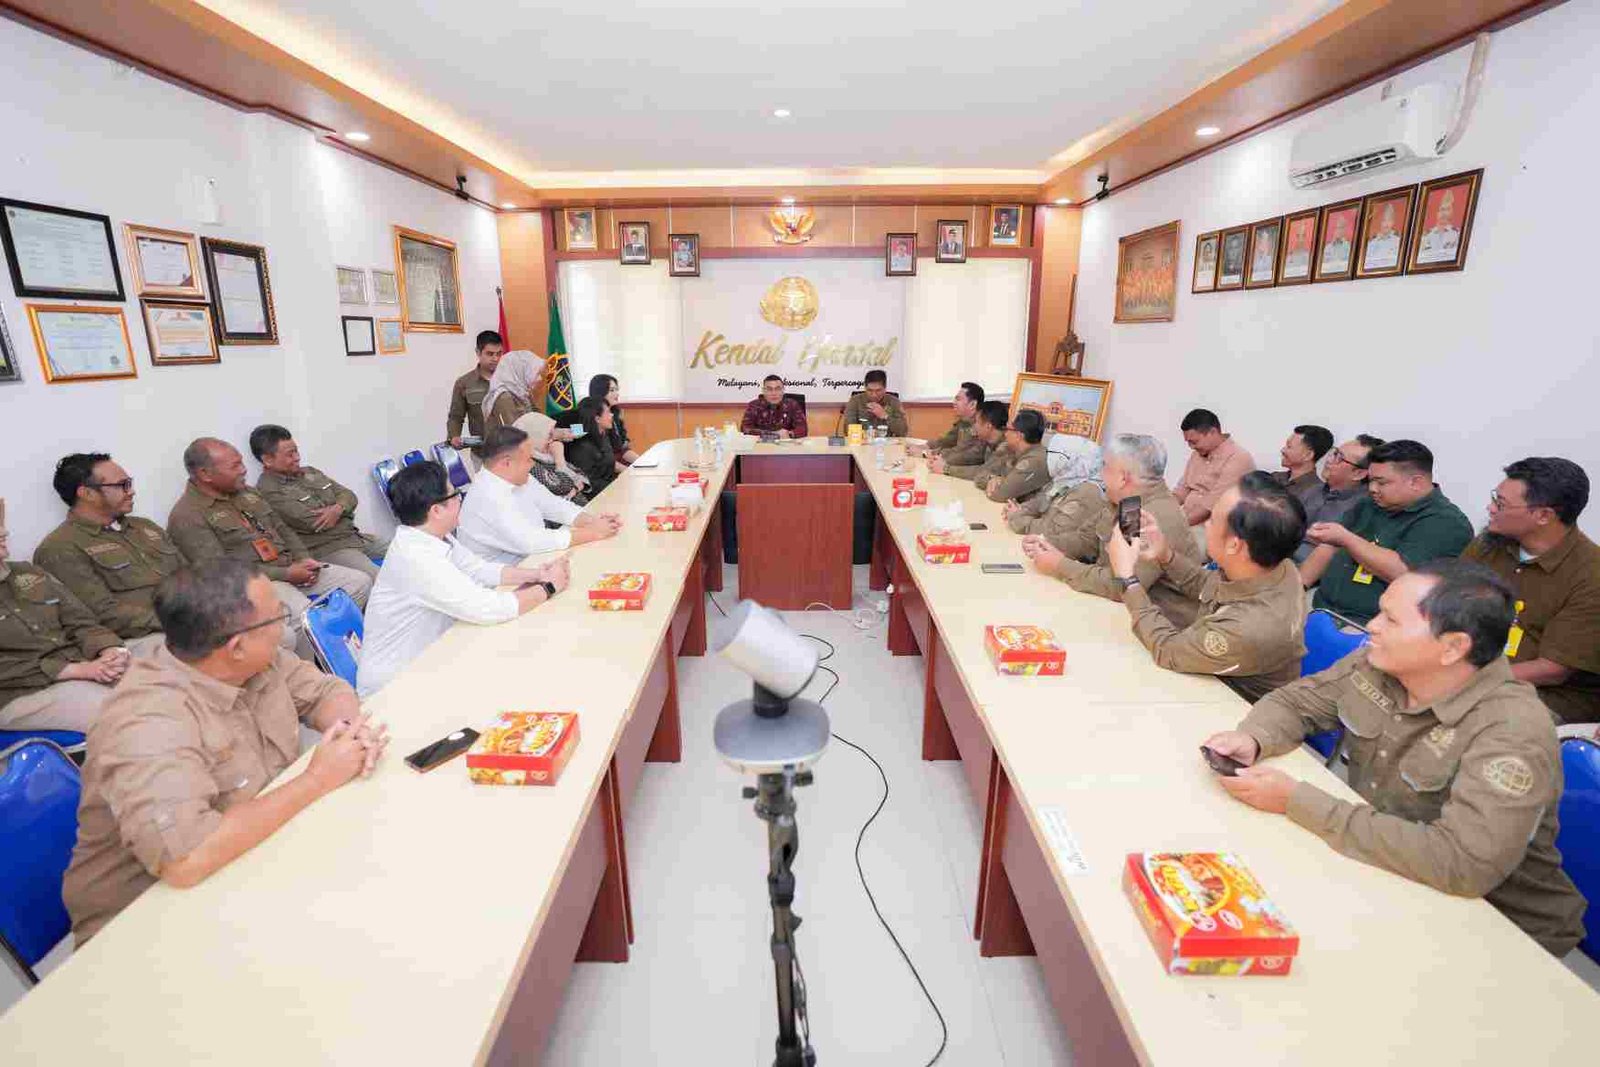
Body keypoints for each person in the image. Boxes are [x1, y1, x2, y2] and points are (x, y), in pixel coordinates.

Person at [1202, 560, 1586, 957]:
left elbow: (1463, 863)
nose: (1372, 626)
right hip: (1386, 871)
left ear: (1453, 647)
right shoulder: (1382, 662)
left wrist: (1297, 800)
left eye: (1391, 619)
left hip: (1498, 931)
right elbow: (1297, 702)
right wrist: (1254, 737)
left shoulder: (1512, 731)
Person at [63, 559, 389, 943]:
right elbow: (186, 859)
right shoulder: (146, 722)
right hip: (149, 926)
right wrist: (317, 779)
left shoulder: (249, 657)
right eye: (278, 617)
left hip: (258, 856)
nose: (284, 628)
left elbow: (325, 693)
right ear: (236, 646)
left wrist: (349, 734)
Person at [358, 462, 570, 697]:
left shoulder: (433, 537)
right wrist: (549, 587)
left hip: (431, 659)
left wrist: (537, 575)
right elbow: (486, 608)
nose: (461, 499)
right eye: (455, 494)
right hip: (394, 688)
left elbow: (479, 569)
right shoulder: (416, 559)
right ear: (436, 510)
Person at [166, 438, 372, 660]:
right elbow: (222, 572)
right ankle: (315, 669)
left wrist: (303, 559)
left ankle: (342, 651)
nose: (244, 470)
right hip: (255, 584)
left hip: (292, 567)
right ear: (205, 474)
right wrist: (287, 574)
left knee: (359, 583)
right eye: (235, 466)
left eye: (241, 462)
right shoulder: (187, 516)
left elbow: (282, 528)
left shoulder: (248, 493)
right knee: (305, 617)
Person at [1109, 473, 1307, 701]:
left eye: (1212, 519)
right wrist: (1166, 555)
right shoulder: (1276, 566)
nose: (1205, 524)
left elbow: (1168, 650)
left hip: (1227, 705)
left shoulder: (1248, 627)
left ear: (1234, 545)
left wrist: (1126, 578)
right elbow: (1208, 585)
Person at [1463, 457, 1600, 725]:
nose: (1490, 508)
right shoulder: (1488, 545)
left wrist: (1466, 680)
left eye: (1501, 503)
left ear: (1543, 516)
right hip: (1472, 669)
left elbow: (1553, 670)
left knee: (1462, 720)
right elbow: (1443, 601)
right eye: (1494, 498)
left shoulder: (1591, 574)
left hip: (1543, 694)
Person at [1024, 433, 1204, 626]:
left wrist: (1059, 566)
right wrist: (1046, 543)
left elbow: (1120, 585)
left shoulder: (1147, 516)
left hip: (1161, 626)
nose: (1100, 473)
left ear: (1123, 478)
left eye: (1105, 466)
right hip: (1121, 612)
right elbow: (1085, 540)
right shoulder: (1127, 501)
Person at [1302, 439, 1473, 626]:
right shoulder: (1369, 504)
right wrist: (1298, 589)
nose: (1372, 489)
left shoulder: (1446, 523)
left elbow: (1403, 572)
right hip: (1321, 607)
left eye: (1381, 482)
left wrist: (1346, 539)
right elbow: (1329, 547)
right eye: (1371, 480)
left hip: (1370, 625)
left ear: (1415, 482)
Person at [34, 452, 188, 652]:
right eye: (122, 485)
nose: (131, 491)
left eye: (129, 483)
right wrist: (180, 621)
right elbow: (103, 614)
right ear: (87, 493)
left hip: (190, 621)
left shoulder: (144, 526)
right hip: (142, 638)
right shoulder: (60, 548)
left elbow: (192, 575)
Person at [0, 497, 129, 732]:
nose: (4, 532)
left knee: (167, 687)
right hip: (22, 693)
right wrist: (75, 670)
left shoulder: (28, 573)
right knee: (125, 715)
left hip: (83, 666)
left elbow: (81, 621)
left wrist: (109, 651)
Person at [457, 425, 622, 565]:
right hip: (504, 583)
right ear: (506, 462)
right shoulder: (487, 496)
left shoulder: (518, 477)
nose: (532, 464)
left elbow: (553, 505)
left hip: (534, 562)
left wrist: (593, 521)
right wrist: (593, 532)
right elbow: (532, 541)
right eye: (528, 459)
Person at [250, 425, 388, 579]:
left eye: (296, 451)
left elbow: (349, 495)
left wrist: (338, 508)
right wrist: (343, 508)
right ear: (268, 460)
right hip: (330, 548)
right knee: (379, 577)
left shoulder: (310, 472)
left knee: (406, 551)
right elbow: (313, 522)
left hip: (355, 537)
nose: (297, 457)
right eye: (290, 454)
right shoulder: (268, 490)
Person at [1002, 434, 1108, 562]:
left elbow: (1054, 532)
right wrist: (1019, 510)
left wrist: (1017, 517)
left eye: (1056, 454)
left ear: (1072, 459)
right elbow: (1039, 502)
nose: (1051, 458)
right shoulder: (1065, 480)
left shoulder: (1088, 492)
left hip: (1057, 557)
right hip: (1041, 549)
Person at [1293, 434, 1381, 563]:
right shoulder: (1314, 490)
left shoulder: (1365, 507)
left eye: (1339, 457)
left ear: (1358, 474)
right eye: (1334, 452)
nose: (1328, 460)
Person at [1173, 408, 1255, 525]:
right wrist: (1162, 511)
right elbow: (1182, 491)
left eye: (1194, 442)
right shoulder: (1197, 454)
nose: (1191, 447)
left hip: (1212, 527)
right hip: (1187, 521)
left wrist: (1177, 526)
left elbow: (1211, 507)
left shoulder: (1238, 458)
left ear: (1213, 432)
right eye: (1188, 442)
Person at [446, 330, 504, 458]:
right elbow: (456, 417)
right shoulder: (464, 383)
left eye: (499, 354)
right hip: (482, 454)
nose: (495, 359)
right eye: (490, 354)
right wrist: (454, 436)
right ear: (478, 353)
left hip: (511, 452)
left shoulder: (511, 380)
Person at [514, 411, 591, 504]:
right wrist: (560, 460)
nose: (552, 440)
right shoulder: (531, 464)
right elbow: (562, 488)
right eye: (548, 435)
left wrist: (575, 488)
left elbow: (581, 476)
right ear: (535, 438)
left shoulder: (545, 455)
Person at [929, 400, 1007, 483]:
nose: (974, 426)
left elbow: (983, 471)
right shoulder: (987, 441)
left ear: (988, 426)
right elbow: (970, 456)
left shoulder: (1006, 447)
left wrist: (946, 469)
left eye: (976, 422)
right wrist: (942, 458)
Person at [984, 410, 1050, 503]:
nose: (1005, 434)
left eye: (1008, 429)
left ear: (1019, 435)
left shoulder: (1035, 460)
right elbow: (981, 474)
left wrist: (999, 482)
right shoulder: (1012, 451)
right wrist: (992, 478)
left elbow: (999, 494)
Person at [918, 382, 987, 467]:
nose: (954, 402)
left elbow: (971, 456)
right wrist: (925, 447)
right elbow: (947, 441)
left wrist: (928, 454)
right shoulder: (964, 422)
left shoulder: (983, 424)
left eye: (958, 399)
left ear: (972, 404)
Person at [565, 396, 620, 496]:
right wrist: (617, 488)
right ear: (597, 419)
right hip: (597, 497)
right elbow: (588, 482)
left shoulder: (604, 436)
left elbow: (608, 466)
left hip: (610, 489)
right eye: (608, 412)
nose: (612, 415)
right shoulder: (582, 447)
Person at [1273, 424, 1333, 512]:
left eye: (1289, 446)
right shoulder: (1273, 477)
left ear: (1308, 455)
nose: (1283, 450)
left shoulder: (1316, 494)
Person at [482, 349, 547, 430]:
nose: (540, 379)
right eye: (536, 373)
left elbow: (538, 420)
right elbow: (513, 432)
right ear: (519, 370)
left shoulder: (522, 393)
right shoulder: (503, 398)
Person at [838, 369, 908, 437]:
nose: (874, 395)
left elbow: (903, 431)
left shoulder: (894, 402)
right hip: (862, 442)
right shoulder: (855, 401)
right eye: (870, 390)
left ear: (885, 389)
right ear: (865, 388)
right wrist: (866, 434)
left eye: (878, 390)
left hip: (887, 442)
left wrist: (885, 416)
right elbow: (848, 430)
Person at [589, 374, 639, 466]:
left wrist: (641, 461)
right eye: (612, 390)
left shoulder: (615, 413)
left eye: (617, 389)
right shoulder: (591, 417)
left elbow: (623, 448)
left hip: (619, 460)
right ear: (600, 392)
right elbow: (604, 458)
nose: (617, 394)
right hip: (605, 467)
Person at [740, 374, 809, 438]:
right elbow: (745, 428)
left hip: (786, 444)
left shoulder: (792, 404)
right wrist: (772, 434)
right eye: (769, 389)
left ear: (783, 390)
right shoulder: (754, 405)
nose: (774, 393)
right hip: (762, 444)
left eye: (778, 389)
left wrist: (789, 434)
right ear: (763, 391)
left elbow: (803, 429)